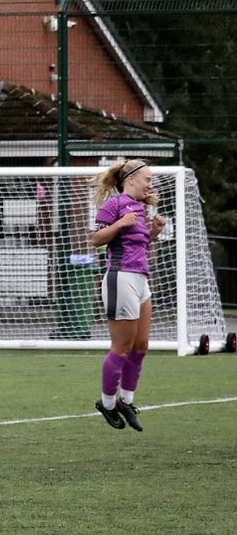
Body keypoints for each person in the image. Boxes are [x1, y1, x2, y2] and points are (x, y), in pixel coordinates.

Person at [90, 159, 165, 432]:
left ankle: (127, 401)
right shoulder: (114, 205)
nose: (150, 184)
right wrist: (121, 223)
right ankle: (108, 404)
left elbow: (139, 245)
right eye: (147, 178)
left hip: (141, 280)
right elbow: (96, 239)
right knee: (122, 348)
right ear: (131, 178)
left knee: (141, 345)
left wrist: (153, 233)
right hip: (120, 278)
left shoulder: (141, 208)